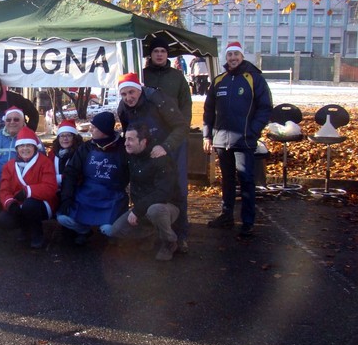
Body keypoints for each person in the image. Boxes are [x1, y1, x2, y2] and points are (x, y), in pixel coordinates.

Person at [203, 41, 272, 238]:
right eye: (229, 54)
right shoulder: (219, 80)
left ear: (242, 56)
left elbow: (265, 108)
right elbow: (209, 110)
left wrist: (253, 131)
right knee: (227, 179)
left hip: (244, 140)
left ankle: (247, 221)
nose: (232, 58)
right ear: (226, 57)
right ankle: (226, 216)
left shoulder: (254, 78)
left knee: (246, 179)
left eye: (236, 54)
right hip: (221, 140)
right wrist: (207, 135)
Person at [116, 72, 189, 251]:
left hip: (167, 149)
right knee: (144, 190)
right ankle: (151, 232)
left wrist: (166, 146)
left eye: (131, 92)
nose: (128, 97)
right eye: (124, 94)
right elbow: (128, 131)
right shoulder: (123, 108)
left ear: (139, 89)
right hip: (144, 154)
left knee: (177, 190)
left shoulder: (158, 100)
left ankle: (180, 236)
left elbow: (181, 126)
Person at [141, 37, 192, 253]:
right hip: (149, 140)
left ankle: (181, 234)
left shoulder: (177, 77)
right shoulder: (143, 76)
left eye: (163, 51)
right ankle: (156, 234)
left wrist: (178, 134)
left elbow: (186, 108)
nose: (160, 54)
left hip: (174, 140)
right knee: (151, 186)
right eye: (156, 51)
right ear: (151, 54)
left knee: (178, 188)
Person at [108, 124, 182, 261]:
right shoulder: (131, 155)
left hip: (166, 206)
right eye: (125, 139)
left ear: (143, 141)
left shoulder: (160, 158)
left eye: (130, 139)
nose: (126, 143)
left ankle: (169, 242)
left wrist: (137, 211)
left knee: (155, 210)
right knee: (115, 231)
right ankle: (149, 234)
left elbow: (163, 193)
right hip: (141, 207)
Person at [56, 111, 129, 245]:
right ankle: (83, 230)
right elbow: (71, 172)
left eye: (94, 127)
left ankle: (109, 232)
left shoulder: (123, 148)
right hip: (86, 195)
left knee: (109, 229)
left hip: (111, 197)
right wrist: (66, 197)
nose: (91, 130)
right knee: (62, 218)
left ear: (104, 130)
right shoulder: (86, 148)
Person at [0, 127, 59, 249]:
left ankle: (37, 233)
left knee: (30, 205)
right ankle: (25, 228)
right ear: (17, 148)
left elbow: (50, 187)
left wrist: (27, 191)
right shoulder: (9, 166)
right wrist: (10, 203)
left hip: (41, 203)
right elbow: (4, 189)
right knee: (2, 220)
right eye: (21, 146)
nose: (25, 149)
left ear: (35, 147)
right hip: (19, 203)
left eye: (29, 145)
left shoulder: (45, 162)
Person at [0, 71, 39, 136]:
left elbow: (34, 114)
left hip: (19, 139)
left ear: (0, 84)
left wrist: (28, 133)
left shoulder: (16, 98)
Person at [47, 119, 83, 189]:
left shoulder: (79, 154)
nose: (65, 139)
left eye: (68, 135)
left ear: (74, 137)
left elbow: (79, 177)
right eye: (62, 136)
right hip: (54, 188)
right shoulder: (52, 154)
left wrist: (59, 178)